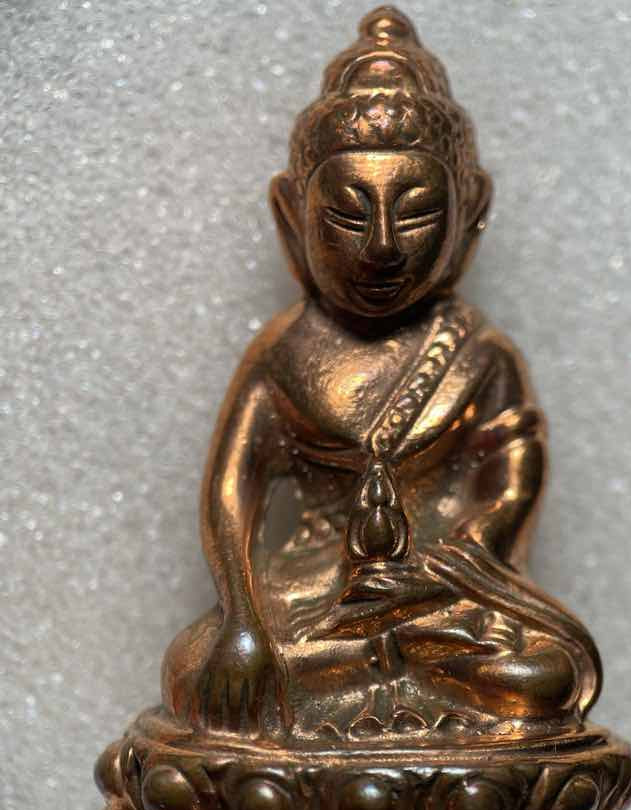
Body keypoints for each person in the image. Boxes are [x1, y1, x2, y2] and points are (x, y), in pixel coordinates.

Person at [162, 7, 601, 742]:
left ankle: (377, 673)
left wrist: (442, 571)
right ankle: (368, 672)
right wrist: (240, 616)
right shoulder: (284, 353)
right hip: (312, 597)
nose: (383, 247)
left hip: (440, 597)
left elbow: (510, 478)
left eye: (419, 213)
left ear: (470, 213)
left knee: (546, 677)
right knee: (196, 668)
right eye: (347, 215)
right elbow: (231, 491)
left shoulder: (479, 353)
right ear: (291, 214)